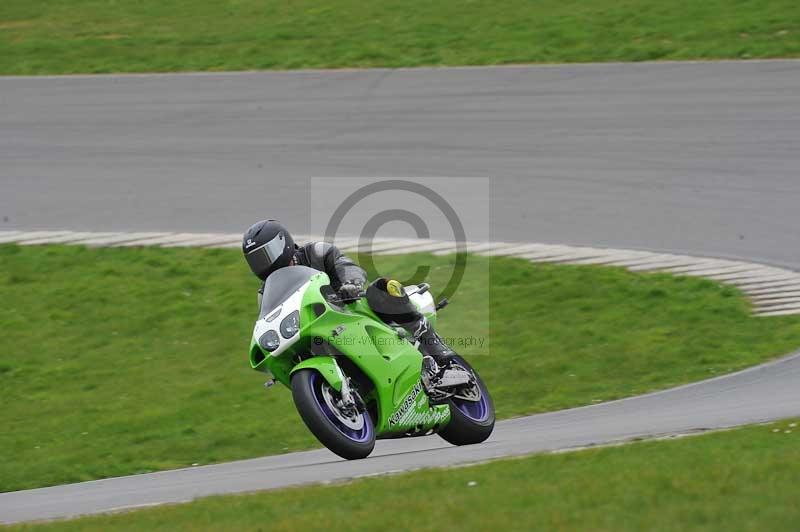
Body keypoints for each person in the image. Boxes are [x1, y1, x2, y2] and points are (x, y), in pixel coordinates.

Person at [242, 219, 454, 367]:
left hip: (351, 308)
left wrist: (350, 284)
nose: (263, 265)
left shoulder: (316, 253)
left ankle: (433, 344)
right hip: (319, 332)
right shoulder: (265, 294)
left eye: (265, 255)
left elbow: (346, 266)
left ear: (283, 243)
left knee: (382, 287)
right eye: (256, 260)